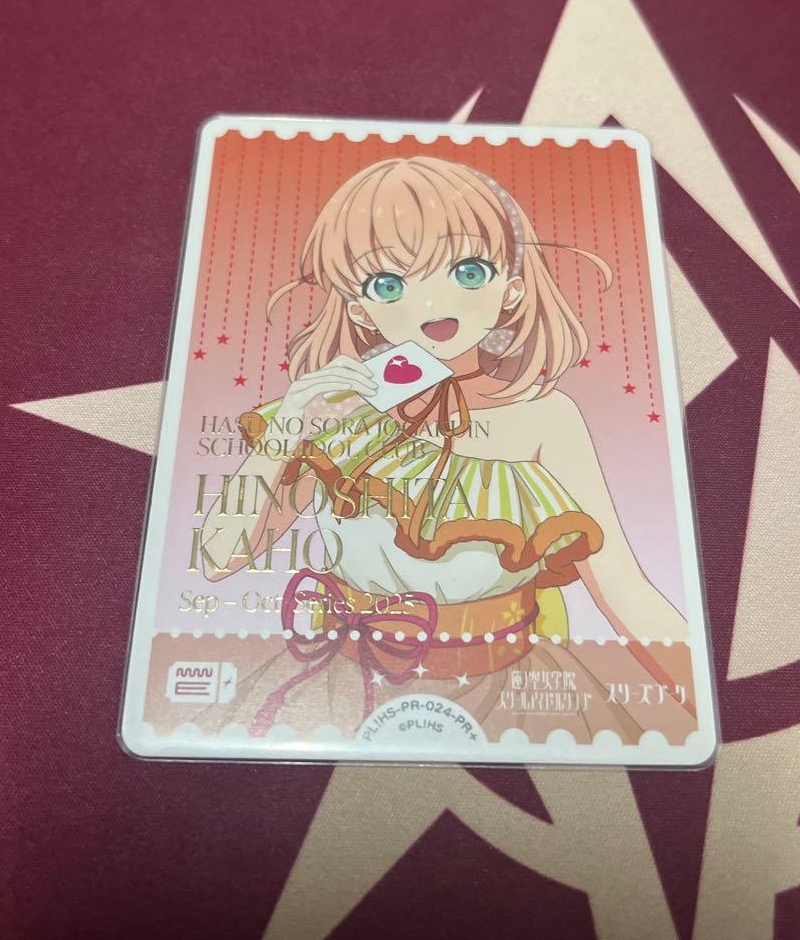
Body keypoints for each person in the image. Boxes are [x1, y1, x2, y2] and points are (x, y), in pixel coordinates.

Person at [200, 154, 695, 743]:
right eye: (389, 284)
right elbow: (218, 559)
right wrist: (287, 428)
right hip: (342, 684)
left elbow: (623, 590)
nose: (432, 303)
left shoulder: (545, 419)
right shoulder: (337, 411)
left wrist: (703, 704)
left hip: (509, 688)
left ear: (511, 290)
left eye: (468, 271)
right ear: (360, 309)